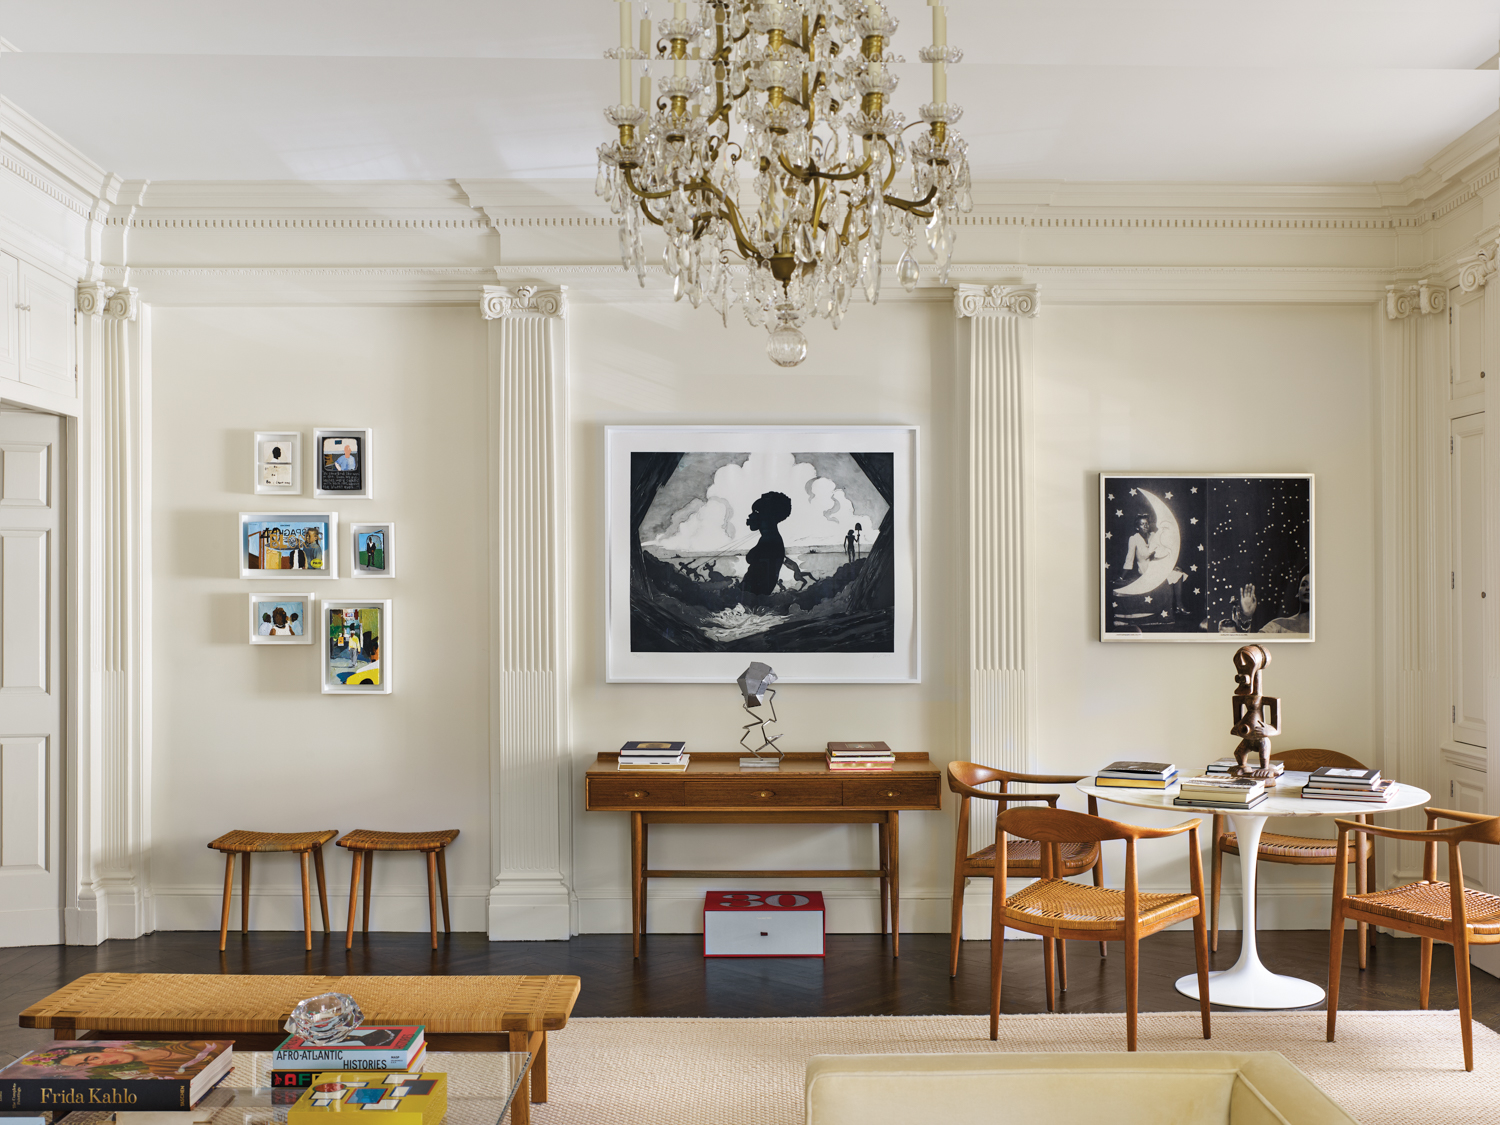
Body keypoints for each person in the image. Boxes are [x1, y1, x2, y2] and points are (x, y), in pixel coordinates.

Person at [743, 491, 792, 595]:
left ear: (767, 515)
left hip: (752, 597)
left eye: (756, 512)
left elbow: (760, 581)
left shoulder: (770, 540)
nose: (750, 515)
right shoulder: (770, 538)